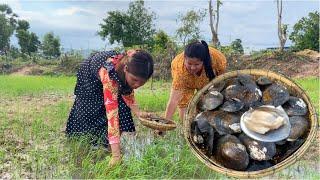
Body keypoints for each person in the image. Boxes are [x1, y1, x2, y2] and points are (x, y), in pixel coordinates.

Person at [66, 49, 154, 167]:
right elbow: (112, 115)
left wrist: (138, 112)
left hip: (114, 75)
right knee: (91, 111)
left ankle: (108, 146)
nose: (137, 85)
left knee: (123, 110)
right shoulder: (110, 75)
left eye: (142, 82)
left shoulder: (131, 66)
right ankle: (93, 147)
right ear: (125, 69)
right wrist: (117, 156)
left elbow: (127, 91)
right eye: (135, 80)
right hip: (90, 78)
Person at [165, 40, 227, 121]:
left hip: (207, 79)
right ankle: (186, 128)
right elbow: (174, 100)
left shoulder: (217, 60)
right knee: (184, 103)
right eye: (189, 64)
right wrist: (164, 123)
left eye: (197, 64)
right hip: (186, 80)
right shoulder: (180, 69)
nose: (193, 67)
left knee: (209, 101)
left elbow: (222, 81)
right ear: (185, 59)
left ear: (203, 62)